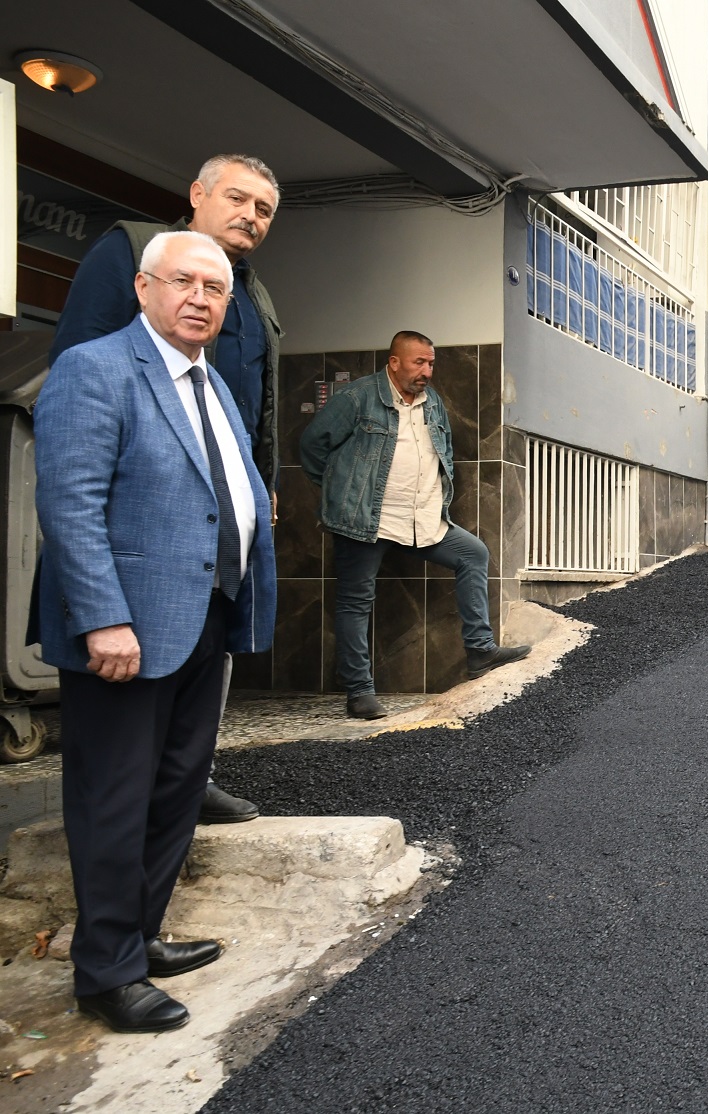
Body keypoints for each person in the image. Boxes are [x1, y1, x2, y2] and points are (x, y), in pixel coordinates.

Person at [33, 231, 277, 1033]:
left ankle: (139, 938)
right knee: (114, 797)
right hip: (126, 631)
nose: (202, 298)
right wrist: (103, 617)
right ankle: (105, 973)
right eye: (185, 282)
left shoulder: (212, 386)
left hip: (204, 618)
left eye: (216, 288)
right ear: (144, 288)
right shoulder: (96, 369)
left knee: (175, 791)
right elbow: (69, 503)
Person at [47, 152, 283, 826]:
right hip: (145, 505)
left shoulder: (253, 293)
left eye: (263, 209)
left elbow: (258, 399)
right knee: (125, 734)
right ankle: (117, 908)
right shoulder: (128, 248)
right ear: (197, 195)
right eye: (237, 199)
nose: (250, 217)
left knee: (200, 680)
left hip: (223, 511)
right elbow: (80, 373)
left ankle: (192, 775)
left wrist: (259, 485)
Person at [299, 331, 530, 720]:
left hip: (421, 520)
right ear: (393, 362)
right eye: (418, 362)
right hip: (365, 522)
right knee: (355, 602)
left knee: (473, 553)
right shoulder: (358, 398)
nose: (427, 371)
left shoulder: (432, 402)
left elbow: (440, 453)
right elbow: (311, 446)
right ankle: (359, 692)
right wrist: (343, 493)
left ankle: (480, 652)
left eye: (431, 363)